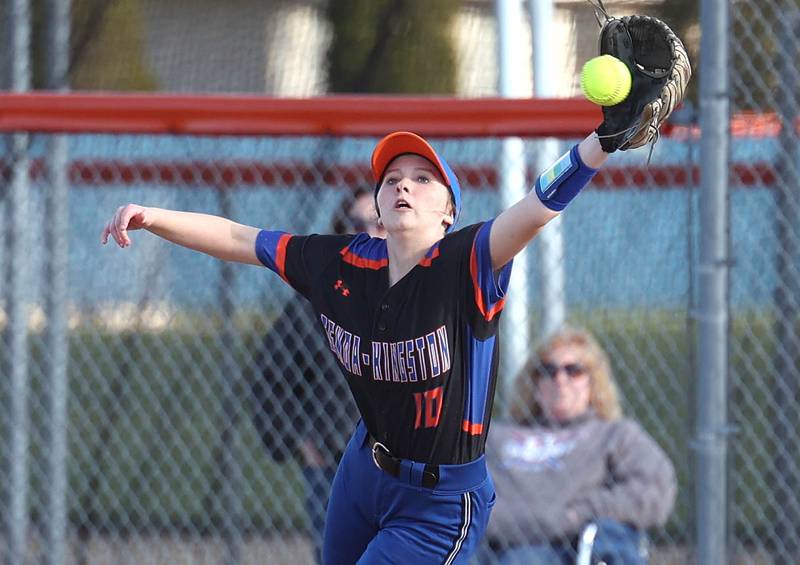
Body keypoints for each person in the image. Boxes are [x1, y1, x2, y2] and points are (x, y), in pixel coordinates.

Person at [101, 129, 610, 563]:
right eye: (391, 179)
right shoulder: (339, 262)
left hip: (439, 500)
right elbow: (240, 239)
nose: (402, 184)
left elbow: (541, 205)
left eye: (421, 178)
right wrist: (153, 216)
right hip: (363, 473)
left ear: (449, 211)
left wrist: (602, 141)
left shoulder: (468, 261)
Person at [248, 187, 385, 563]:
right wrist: (301, 442)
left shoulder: (422, 289)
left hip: (408, 466)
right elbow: (269, 377)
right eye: (354, 224)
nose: (368, 232)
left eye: (378, 222)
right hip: (336, 464)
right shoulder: (318, 299)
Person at [480, 326, 677, 565]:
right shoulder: (495, 436)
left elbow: (655, 488)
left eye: (573, 370)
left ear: (593, 382)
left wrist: (582, 512)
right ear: (534, 382)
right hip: (495, 542)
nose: (560, 380)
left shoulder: (613, 434)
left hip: (568, 546)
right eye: (548, 370)